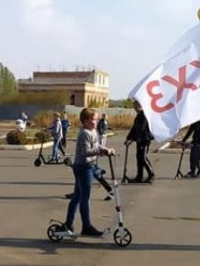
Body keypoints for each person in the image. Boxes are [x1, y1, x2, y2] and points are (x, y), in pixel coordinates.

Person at [64, 108, 116, 236]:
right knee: (84, 198)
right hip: (83, 167)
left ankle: (68, 224)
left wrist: (105, 149)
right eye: (94, 119)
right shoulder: (84, 134)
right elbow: (85, 152)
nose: (96, 121)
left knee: (77, 196)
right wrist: (101, 152)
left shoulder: (93, 131)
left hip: (89, 166)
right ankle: (86, 226)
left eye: (97, 119)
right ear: (86, 121)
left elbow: (96, 146)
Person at [125, 100, 155, 183]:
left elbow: (141, 129)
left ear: (140, 106)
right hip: (139, 140)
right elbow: (134, 128)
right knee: (139, 158)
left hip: (145, 139)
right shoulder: (139, 116)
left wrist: (132, 139)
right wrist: (128, 138)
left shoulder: (144, 115)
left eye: (136, 107)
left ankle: (151, 174)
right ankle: (139, 176)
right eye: (134, 107)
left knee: (143, 157)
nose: (135, 109)